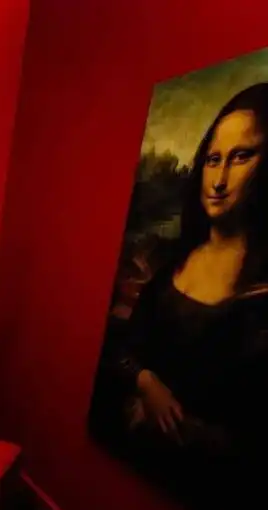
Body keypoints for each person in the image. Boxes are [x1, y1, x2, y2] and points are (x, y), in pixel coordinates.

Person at [111, 82, 268, 462]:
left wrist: (192, 433)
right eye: (214, 159)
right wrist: (144, 382)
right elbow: (123, 345)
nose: (219, 181)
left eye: (242, 156)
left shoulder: (260, 292)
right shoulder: (170, 262)